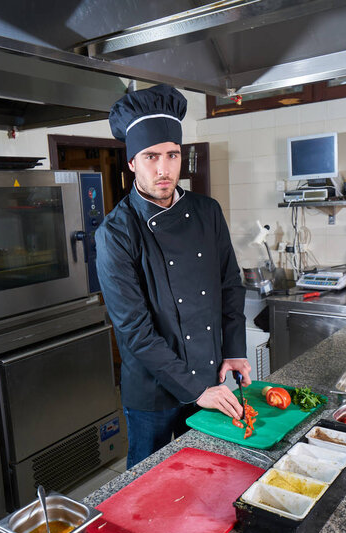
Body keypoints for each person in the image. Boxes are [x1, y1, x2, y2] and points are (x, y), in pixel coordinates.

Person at [96, 83, 251, 468]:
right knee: (146, 486)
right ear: (132, 162)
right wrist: (196, 389)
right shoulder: (115, 233)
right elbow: (135, 329)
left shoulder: (207, 211)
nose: (163, 169)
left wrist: (233, 349)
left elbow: (230, 284)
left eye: (172, 155)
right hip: (151, 391)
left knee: (204, 471)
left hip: (209, 373)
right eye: (150, 157)